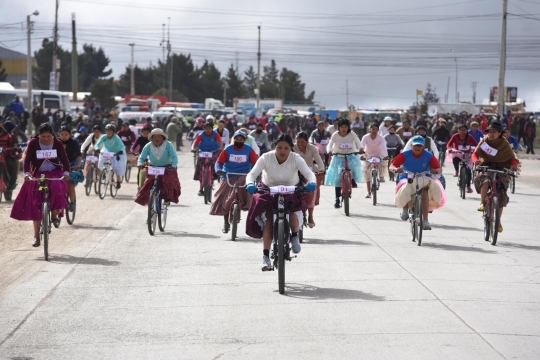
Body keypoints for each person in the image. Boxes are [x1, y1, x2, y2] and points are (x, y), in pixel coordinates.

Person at [245, 134, 316, 270]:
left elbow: (309, 174)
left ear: (291, 148)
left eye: (286, 148)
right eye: (279, 148)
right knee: (269, 221)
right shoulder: (266, 157)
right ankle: (266, 257)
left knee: (294, 215)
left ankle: (294, 236)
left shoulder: (296, 158)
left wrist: (311, 182)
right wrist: (250, 183)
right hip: (268, 191)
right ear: (274, 147)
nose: (282, 151)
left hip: (292, 191)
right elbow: (252, 174)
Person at [10, 123, 70, 247]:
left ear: (52, 135)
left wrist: (66, 172)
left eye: (49, 136)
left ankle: (54, 214)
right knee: (35, 203)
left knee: (56, 187)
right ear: (39, 135)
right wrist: (26, 173)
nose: (46, 139)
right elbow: (27, 161)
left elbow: (65, 160)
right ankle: (36, 237)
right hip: (38, 173)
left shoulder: (58, 143)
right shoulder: (33, 143)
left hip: (54, 172)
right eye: (43, 136)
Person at [472, 121, 520, 233]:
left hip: (501, 167)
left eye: (494, 132)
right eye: (490, 132)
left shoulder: (505, 144)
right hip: (486, 165)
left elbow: (512, 158)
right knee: (485, 179)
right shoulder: (485, 141)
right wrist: (476, 161)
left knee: (501, 196)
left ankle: (498, 221)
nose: (491, 134)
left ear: (500, 133)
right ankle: (483, 203)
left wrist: (514, 165)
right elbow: (475, 154)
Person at [390, 135, 445, 229]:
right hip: (407, 176)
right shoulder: (405, 154)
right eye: (416, 145)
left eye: (420, 146)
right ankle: (405, 208)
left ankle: (425, 220)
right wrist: (395, 169)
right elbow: (392, 166)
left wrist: (436, 170)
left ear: (423, 146)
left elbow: (439, 168)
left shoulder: (429, 155)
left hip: (424, 177)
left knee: (424, 194)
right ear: (412, 146)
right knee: (405, 186)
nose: (417, 147)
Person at [211, 131, 259, 233]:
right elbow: (219, 162)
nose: (239, 141)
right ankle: (225, 222)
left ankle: (248, 207)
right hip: (228, 174)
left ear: (244, 140)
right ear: (234, 139)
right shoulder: (228, 149)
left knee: (248, 187)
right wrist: (219, 170)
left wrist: (255, 172)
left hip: (244, 174)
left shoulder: (249, 149)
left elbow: (256, 163)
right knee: (223, 196)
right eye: (237, 139)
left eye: (241, 139)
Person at [135, 129, 181, 206]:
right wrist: (139, 163)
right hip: (152, 167)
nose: (157, 139)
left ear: (162, 137)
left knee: (168, 180)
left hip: (166, 167)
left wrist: (174, 165)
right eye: (155, 137)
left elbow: (174, 157)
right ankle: (150, 204)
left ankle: (167, 198)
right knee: (148, 184)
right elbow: (141, 157)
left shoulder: (168, 145)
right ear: (152, 138)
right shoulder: (148, 145)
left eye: (159, 136)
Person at [325, 119, 363, 208]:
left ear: (348, 127)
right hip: (338, 157)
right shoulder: (335, 135)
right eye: (342, 127)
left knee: (354, 167)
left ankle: (352, 180)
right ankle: (337, 199)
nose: (344, 129)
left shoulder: (352, 134)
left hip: (350, 156)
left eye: (346, 127)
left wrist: (361, 148)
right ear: (339, 128)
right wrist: (329, 150)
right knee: (338, 178)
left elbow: (358, 142)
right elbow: (330, 144)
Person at [294, 132, 325, 227]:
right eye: (298, 141)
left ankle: (310, 216)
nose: (300, 144)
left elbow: (319, 161)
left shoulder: (312, 148)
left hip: (310, 174)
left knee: (312, 191)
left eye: (302, 142)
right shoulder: (292, 147)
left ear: (307, 142)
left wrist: (321, 170)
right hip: (295, 174)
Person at [191, 122, 223, 196]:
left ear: (212, 128)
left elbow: (220, 142)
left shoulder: (215, 134)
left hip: (213, 152)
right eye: (206, 128)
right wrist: (193, 149)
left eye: (209, 128)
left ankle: (216, 175)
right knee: (199, 166)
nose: (208, 130)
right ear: (204, 129)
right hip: (203, 152)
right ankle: (201, 189)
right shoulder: (201, 135)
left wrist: (220, 148)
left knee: (215, 163)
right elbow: (195, 143)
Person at [447, 125, 478, 194]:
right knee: (454, 157)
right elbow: (449, 144)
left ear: (467, 131)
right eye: (461, 130)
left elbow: (476, 144)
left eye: (464, 130)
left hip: (467, 155)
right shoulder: (455, 136)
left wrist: (476, 149)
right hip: (458, 153)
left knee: (469, 171)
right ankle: (457, 170)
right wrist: (449, 149)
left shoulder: (469, 137)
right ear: (458, 130)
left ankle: (468, 186)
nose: (463, 131)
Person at [95, 124, 127, 189]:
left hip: (117, 152)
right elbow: (97, 145)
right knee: (101, 161)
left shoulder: (116, 137)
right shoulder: (104, 137)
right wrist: (97, 149)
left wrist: (120, 151)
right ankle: (103, 172)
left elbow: (122, 146)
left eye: (110, 131)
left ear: (113, 132)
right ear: (106, 131)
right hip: (107, 151)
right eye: (107, 131)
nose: (109, 132)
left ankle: (118, 181)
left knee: (117, 167)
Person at [58, 126, 83, 211]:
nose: (64, 136)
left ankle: (72, 203)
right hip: (59, 164)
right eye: (62, 134)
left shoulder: (74, 142)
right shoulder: (56, 142)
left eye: (66, 134)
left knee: (70, 183)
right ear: (59, 134)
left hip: (72, 163)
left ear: (70, 135)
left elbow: (79, 155)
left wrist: (78, 165)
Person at [361, 123, 388, 198]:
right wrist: (361, 155)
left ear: (378, 130)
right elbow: (362, 146)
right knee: (367, 173)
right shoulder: (365, 137)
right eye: (373, 129)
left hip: (378, 154)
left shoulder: (381, 138)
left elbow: (384, 147)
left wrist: (385, 156)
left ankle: (381, 176)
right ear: (370, 129)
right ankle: (368, 192)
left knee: (383, 163)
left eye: (376, 129)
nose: (374, 130)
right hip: (368, 155)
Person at [0, 119, 18, 190]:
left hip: (6, 155)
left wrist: (14, 146)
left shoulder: (9, 136)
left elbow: (15, 143)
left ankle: (12, 182)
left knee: (11, 165)